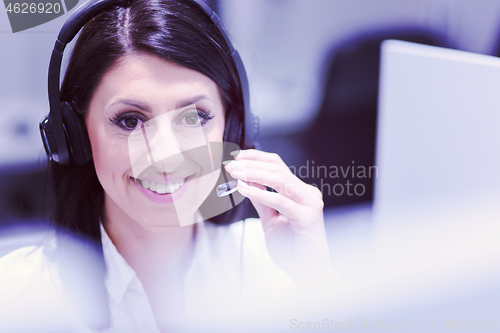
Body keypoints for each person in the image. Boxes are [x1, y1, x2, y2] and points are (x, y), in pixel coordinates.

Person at [0, 0, 335, 331]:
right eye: (130, 121)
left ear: (233, 128)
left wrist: (314, 285)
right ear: (75, 136)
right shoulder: (20, 297)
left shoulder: (270, 265)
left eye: (193, 117)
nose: (165, 156)